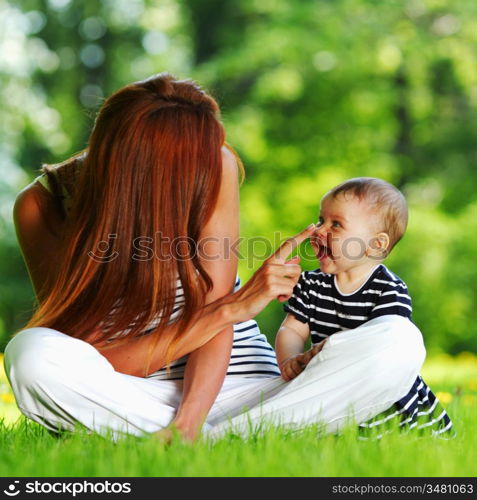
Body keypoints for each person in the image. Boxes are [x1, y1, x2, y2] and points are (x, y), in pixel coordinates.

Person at [4, 74, 425, 442]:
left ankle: (199, 436)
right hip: (132, 390)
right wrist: (230, 311)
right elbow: (101, 356)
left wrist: (190, 420)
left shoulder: (213, 162)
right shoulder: (42, 208)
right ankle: (253, 435)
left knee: (398, 341)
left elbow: (217, 307)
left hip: (248, 388)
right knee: (32, 355)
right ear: (135, 171)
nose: (212, 172)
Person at [275, 177, 453, 437]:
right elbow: (292, 329)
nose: (320, 230)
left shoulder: (387, 289)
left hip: (378, 390)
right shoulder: (311, 283)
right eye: (321, 220)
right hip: (329, 383)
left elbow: (385, 344)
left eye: (336, 224)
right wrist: (289, 360)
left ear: (375, 244)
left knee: (376, 438)